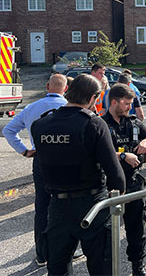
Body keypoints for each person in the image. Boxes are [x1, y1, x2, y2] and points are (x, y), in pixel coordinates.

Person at [32, 74, 125, 275]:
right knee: (101, 266)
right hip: (91, 204)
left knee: (57, 267)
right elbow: (115, 174)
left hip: (57, 206)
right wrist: (118, 202)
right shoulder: (93, 124)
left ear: (68, 92)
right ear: (93, 98)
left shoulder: (41, 125)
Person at [2, 74, 69, 267]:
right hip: (66, 160)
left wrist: (24, 150)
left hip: (41, 159)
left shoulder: (32, 107)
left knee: (42, 206)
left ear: (47, 86)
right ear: (65, 89)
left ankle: (42, 253)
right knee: (66, 205)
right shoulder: (69, 107)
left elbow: (8, 130)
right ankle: (66, 252)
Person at [104, 83, 146, 275]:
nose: (129, 107)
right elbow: (97, 153)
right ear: (114, 102)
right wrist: (123, 156)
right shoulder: (101, 124)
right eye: (126, 104)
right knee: (107, 232)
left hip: (133, 183)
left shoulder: (132, 122)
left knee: (136, 229)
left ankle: (138, 267)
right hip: (110, 185)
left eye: (131, 104)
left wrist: (145, 142)